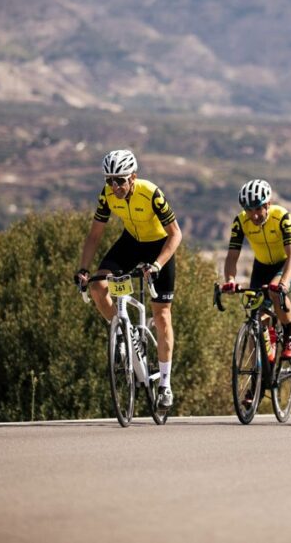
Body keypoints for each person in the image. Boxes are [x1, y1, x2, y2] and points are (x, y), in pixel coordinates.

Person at [75, 150, 182, 412]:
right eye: (110, 180)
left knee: (162, 315)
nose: (115, 186)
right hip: (131, 243)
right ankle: (123, 332)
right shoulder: (107, 194)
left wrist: (157, 264)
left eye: (120, 180)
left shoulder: (151, 193)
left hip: (159, 247)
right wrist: (83, 269)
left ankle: (165, 385)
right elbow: (94, 236)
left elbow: (175, 234)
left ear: (133, 177)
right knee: (99, 286)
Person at [220, 179, 291, 363]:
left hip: (288, 262)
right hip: (262, 267)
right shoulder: (241, 221)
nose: (254, 215)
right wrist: (231, 280)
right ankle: (257, 381)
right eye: (249, 209)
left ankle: (290, 337)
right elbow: (232, 256)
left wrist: (283, 283)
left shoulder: (281, 216)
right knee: (256, 317)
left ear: (268, 204)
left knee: (275, 292)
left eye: (258, 208)